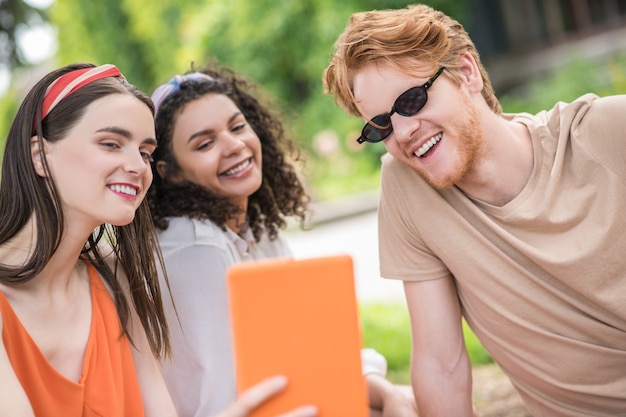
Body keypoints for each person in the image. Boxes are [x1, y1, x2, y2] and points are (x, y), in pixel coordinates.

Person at [322, 3, 626, 417]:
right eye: (381, 126)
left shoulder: (607, 130)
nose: (404, 132)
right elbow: (440, 362)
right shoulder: (406, 187)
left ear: (466, 73)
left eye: (411, 100)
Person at [0, 62, 317, 417]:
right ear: (39, 156)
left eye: (145, 152)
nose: (137, 166)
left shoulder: (113, 277)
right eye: (111, 143)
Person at [147, 63, 418, 417]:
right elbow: (221, 401)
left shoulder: (253, 227)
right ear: (171, 173)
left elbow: (312, 350)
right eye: (205, 143)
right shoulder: (196, 248)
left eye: (237, 126)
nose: (234, 145)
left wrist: (386, 394)